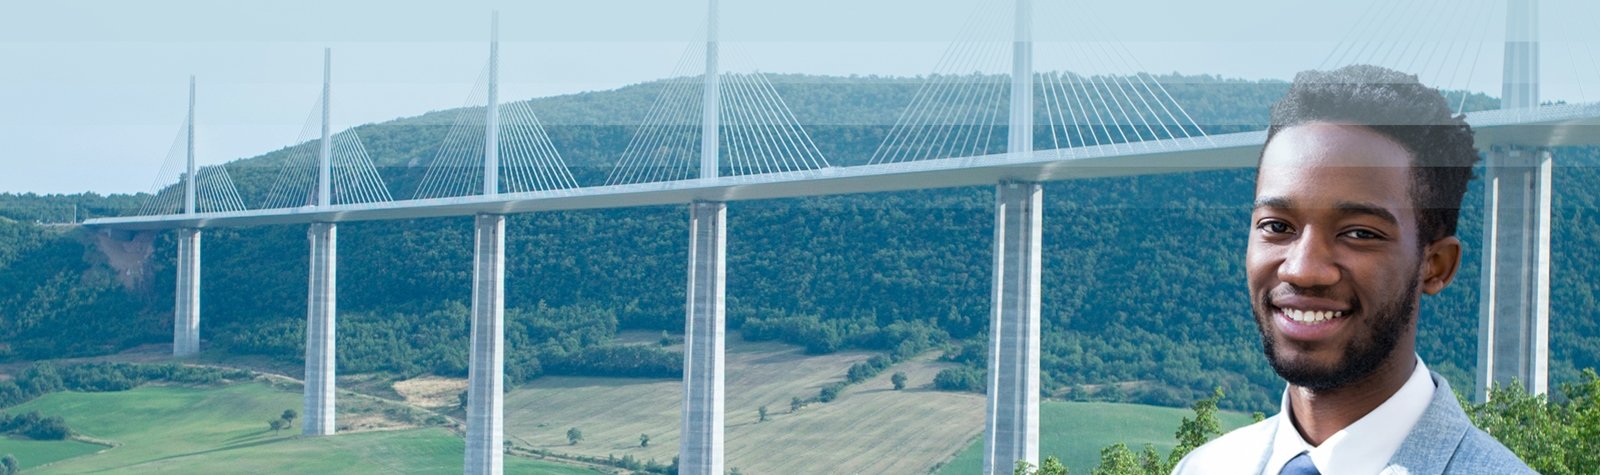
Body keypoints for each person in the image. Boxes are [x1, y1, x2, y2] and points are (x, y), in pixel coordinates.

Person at [1171, 65, 1534, 474]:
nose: (1303, 269)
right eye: (1277, 226)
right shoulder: (1205, 467)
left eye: (1360, 233)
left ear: (1436, 266)